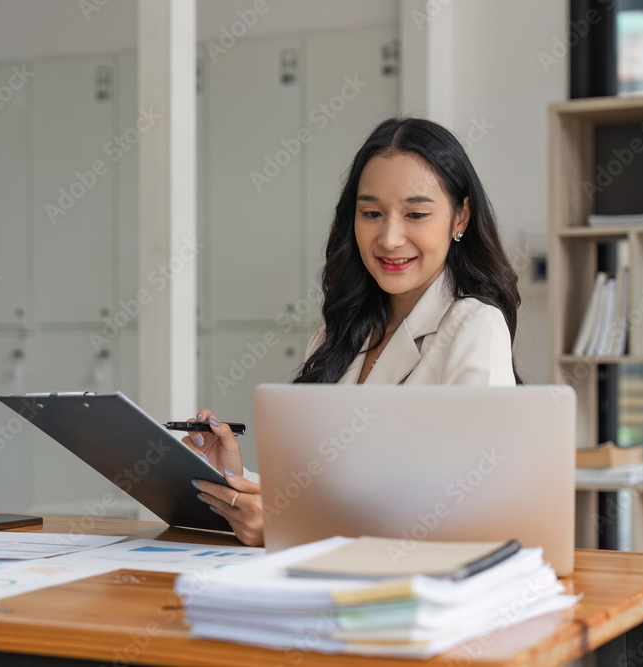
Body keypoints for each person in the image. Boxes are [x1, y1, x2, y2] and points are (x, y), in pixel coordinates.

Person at [185, 117, 521, 546]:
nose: (390, 238)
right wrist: (232, 477)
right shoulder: (339, 333)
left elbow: (469, 513)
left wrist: (289, 527)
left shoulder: (475, 326)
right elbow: (317, 494)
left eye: (416, 214)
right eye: (371, 213)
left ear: (461, 217)